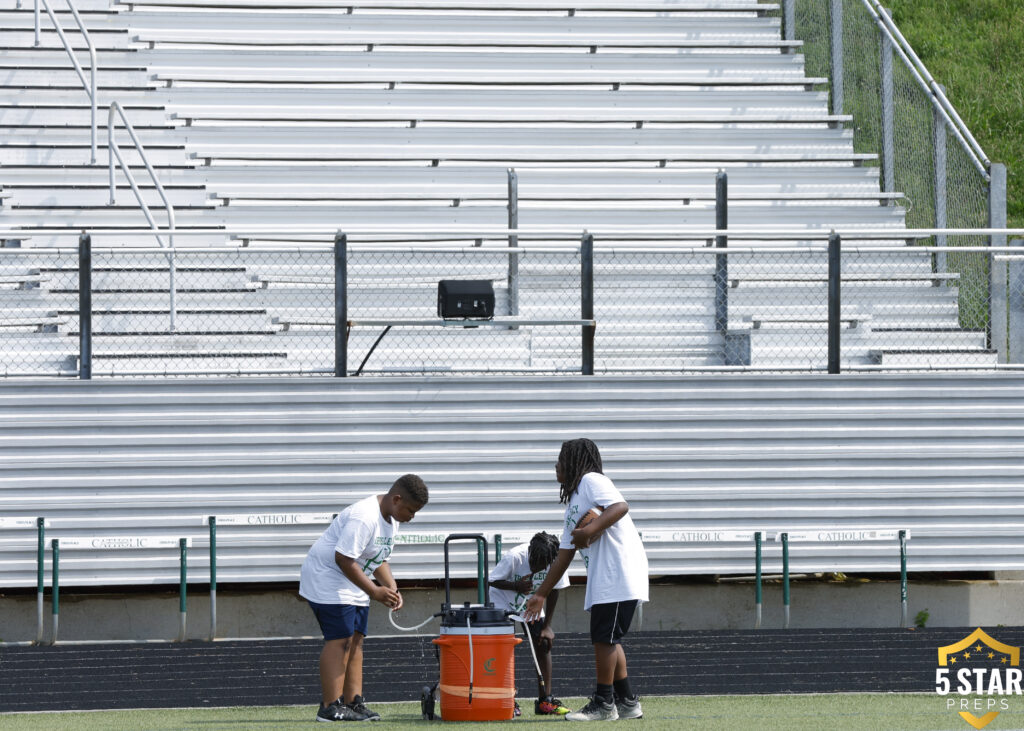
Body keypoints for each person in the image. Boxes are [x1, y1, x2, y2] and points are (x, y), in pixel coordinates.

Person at [525, 438, 648, 722]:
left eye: (560, 460)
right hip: (606, 577)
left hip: (618, 572)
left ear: (574, 463)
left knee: (604, 639)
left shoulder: (592, 480)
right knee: (609, 639)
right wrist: (541, 594)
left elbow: (620, 506)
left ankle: (604, 704)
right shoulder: (575, 500)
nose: (556, 466)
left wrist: (590, 528)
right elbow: (564, 554)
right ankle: (627, 702)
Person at [299, 474, 429, 722]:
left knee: (356, 640)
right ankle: (330, 706)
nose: (412, 517)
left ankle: (353, 702)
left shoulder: (391, 518)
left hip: (352, 577)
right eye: (411, 510)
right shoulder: (365, 516)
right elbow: (343, 559)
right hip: (328, 576)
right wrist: (374, 591)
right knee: (341, 640)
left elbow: (379, 558)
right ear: (397, 499)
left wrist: (391, 586)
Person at [488, 531, 573, 717]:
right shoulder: (515, 557)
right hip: (503, 600)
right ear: (530, 552)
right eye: (534, 561)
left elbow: (555, 590)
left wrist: (547, 626)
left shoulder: (556, 562)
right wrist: (515, 586)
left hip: (530, 603)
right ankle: (507, 699)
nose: (536, 567)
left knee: (542, 644)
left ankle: (545, 701)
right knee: (503, 648)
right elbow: (492, 581)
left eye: (542, 564)